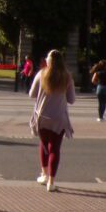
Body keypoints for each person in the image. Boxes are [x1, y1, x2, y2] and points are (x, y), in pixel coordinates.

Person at [29, 50, 76, 192]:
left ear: (48, 61)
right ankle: (51, 182)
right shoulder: (67, 77)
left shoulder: (41, 74)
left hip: (42, 116)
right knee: (54, 149)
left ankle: (44, 174)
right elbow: (71, 99)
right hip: (59, 118)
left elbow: (31, 94)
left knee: (44, 146)